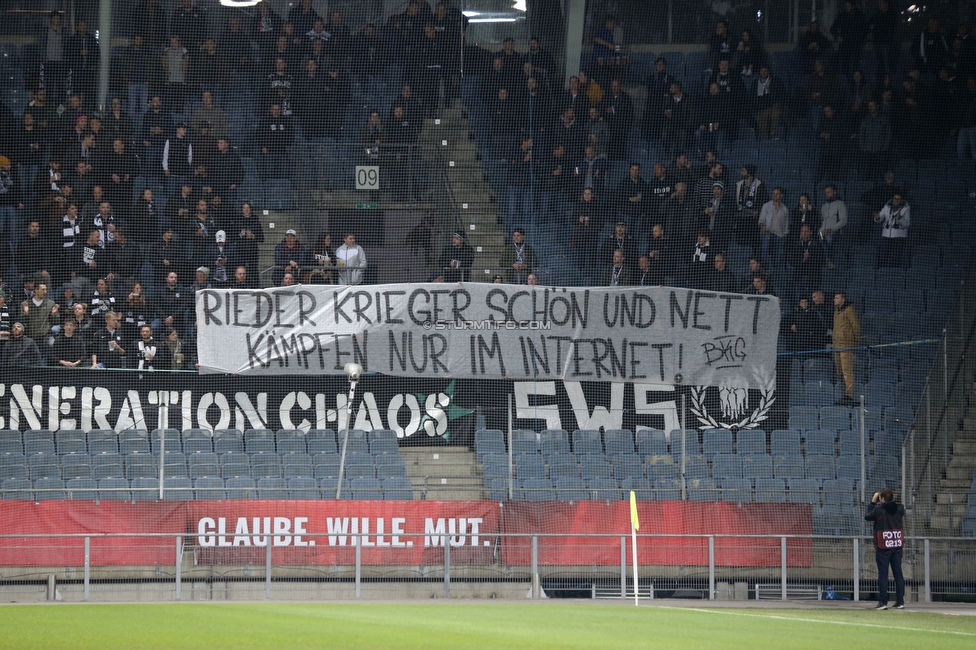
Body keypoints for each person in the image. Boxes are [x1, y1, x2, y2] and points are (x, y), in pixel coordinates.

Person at [865, 487, 906, 610]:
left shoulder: (878, 511)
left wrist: (873, 502)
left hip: (883, 546)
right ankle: (900, 601)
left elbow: (867, 516)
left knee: (883, 575)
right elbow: (896, 508)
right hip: (897, 545)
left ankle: (883, 602)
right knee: (898, 574)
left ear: (881, 498)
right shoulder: (900, 509)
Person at [833, 291, 861, 405]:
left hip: (846, 345)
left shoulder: (849, 310)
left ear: (843, 299)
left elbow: (855, 326)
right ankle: (843, 393)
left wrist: (854, 342)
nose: (834, 300)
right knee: (840, 370)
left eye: (837, 298)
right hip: (837, 345)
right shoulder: (836, 311)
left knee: (846, 371)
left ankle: (849, 394)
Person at [875, 192, 910, 268]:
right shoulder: (887, 206)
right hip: (886, 235)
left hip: (899, 237)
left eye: (898, 199)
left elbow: (906, 224)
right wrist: (877, 218)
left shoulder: (906, 208)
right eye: (895, 198)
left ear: (901, 200)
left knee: (896, 258)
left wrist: (900, 218)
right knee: (882, 256)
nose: (896, 200)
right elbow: (880, 216)